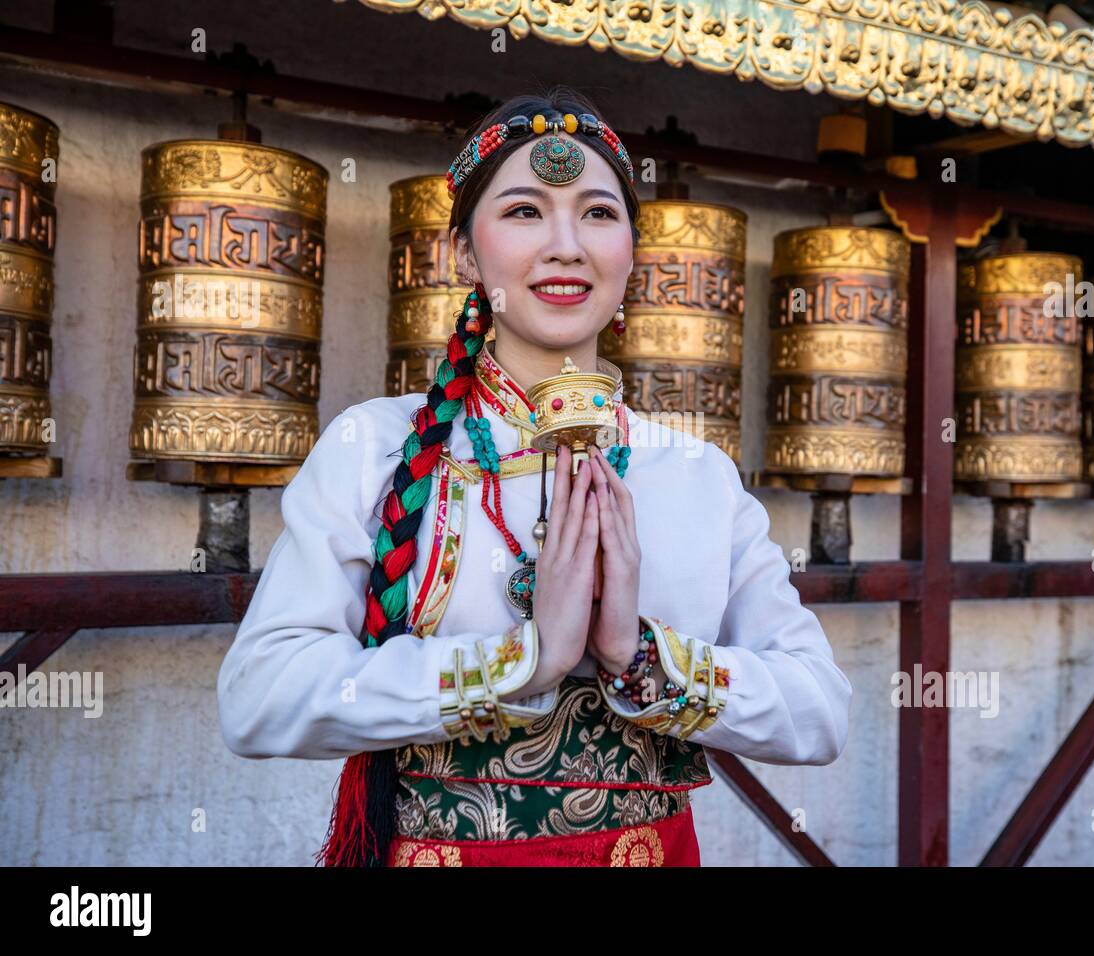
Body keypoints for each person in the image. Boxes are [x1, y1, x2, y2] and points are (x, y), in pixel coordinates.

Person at [217, 86, 851, 867]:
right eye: (523, 211)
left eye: (598, 212)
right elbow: (260, 696)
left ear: (630, 254)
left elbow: (820, 710)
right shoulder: (373, 446)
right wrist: (522, 662)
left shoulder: (695, 474)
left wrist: (636, 655)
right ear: (463, 254)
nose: (565, 245)